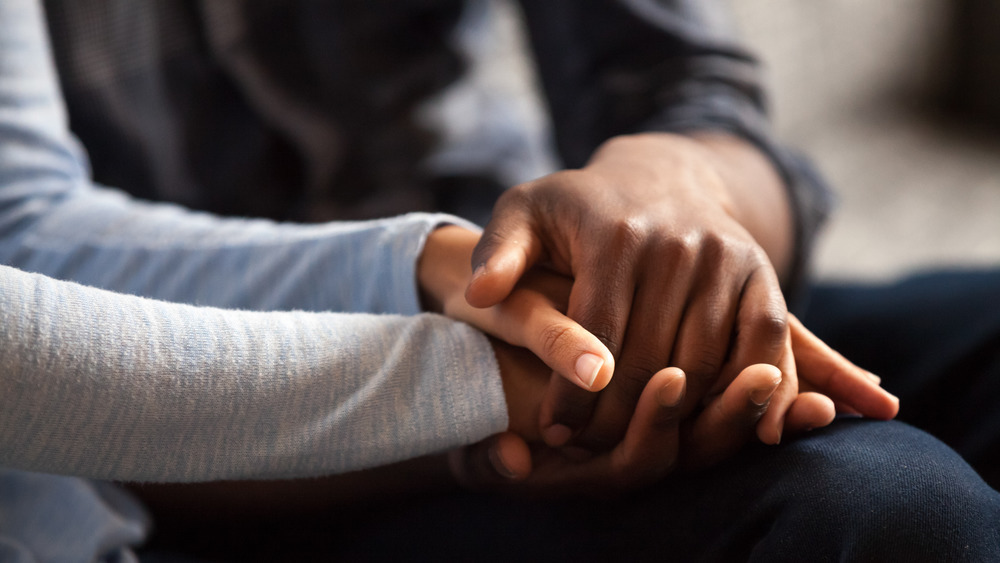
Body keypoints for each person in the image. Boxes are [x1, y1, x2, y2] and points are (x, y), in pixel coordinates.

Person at [0, 1, 997, 561]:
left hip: (540, 298)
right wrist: (488, 374)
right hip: (191, 413)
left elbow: (692, 94)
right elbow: (27, 247)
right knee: (878, 508)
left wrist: (670, 195)